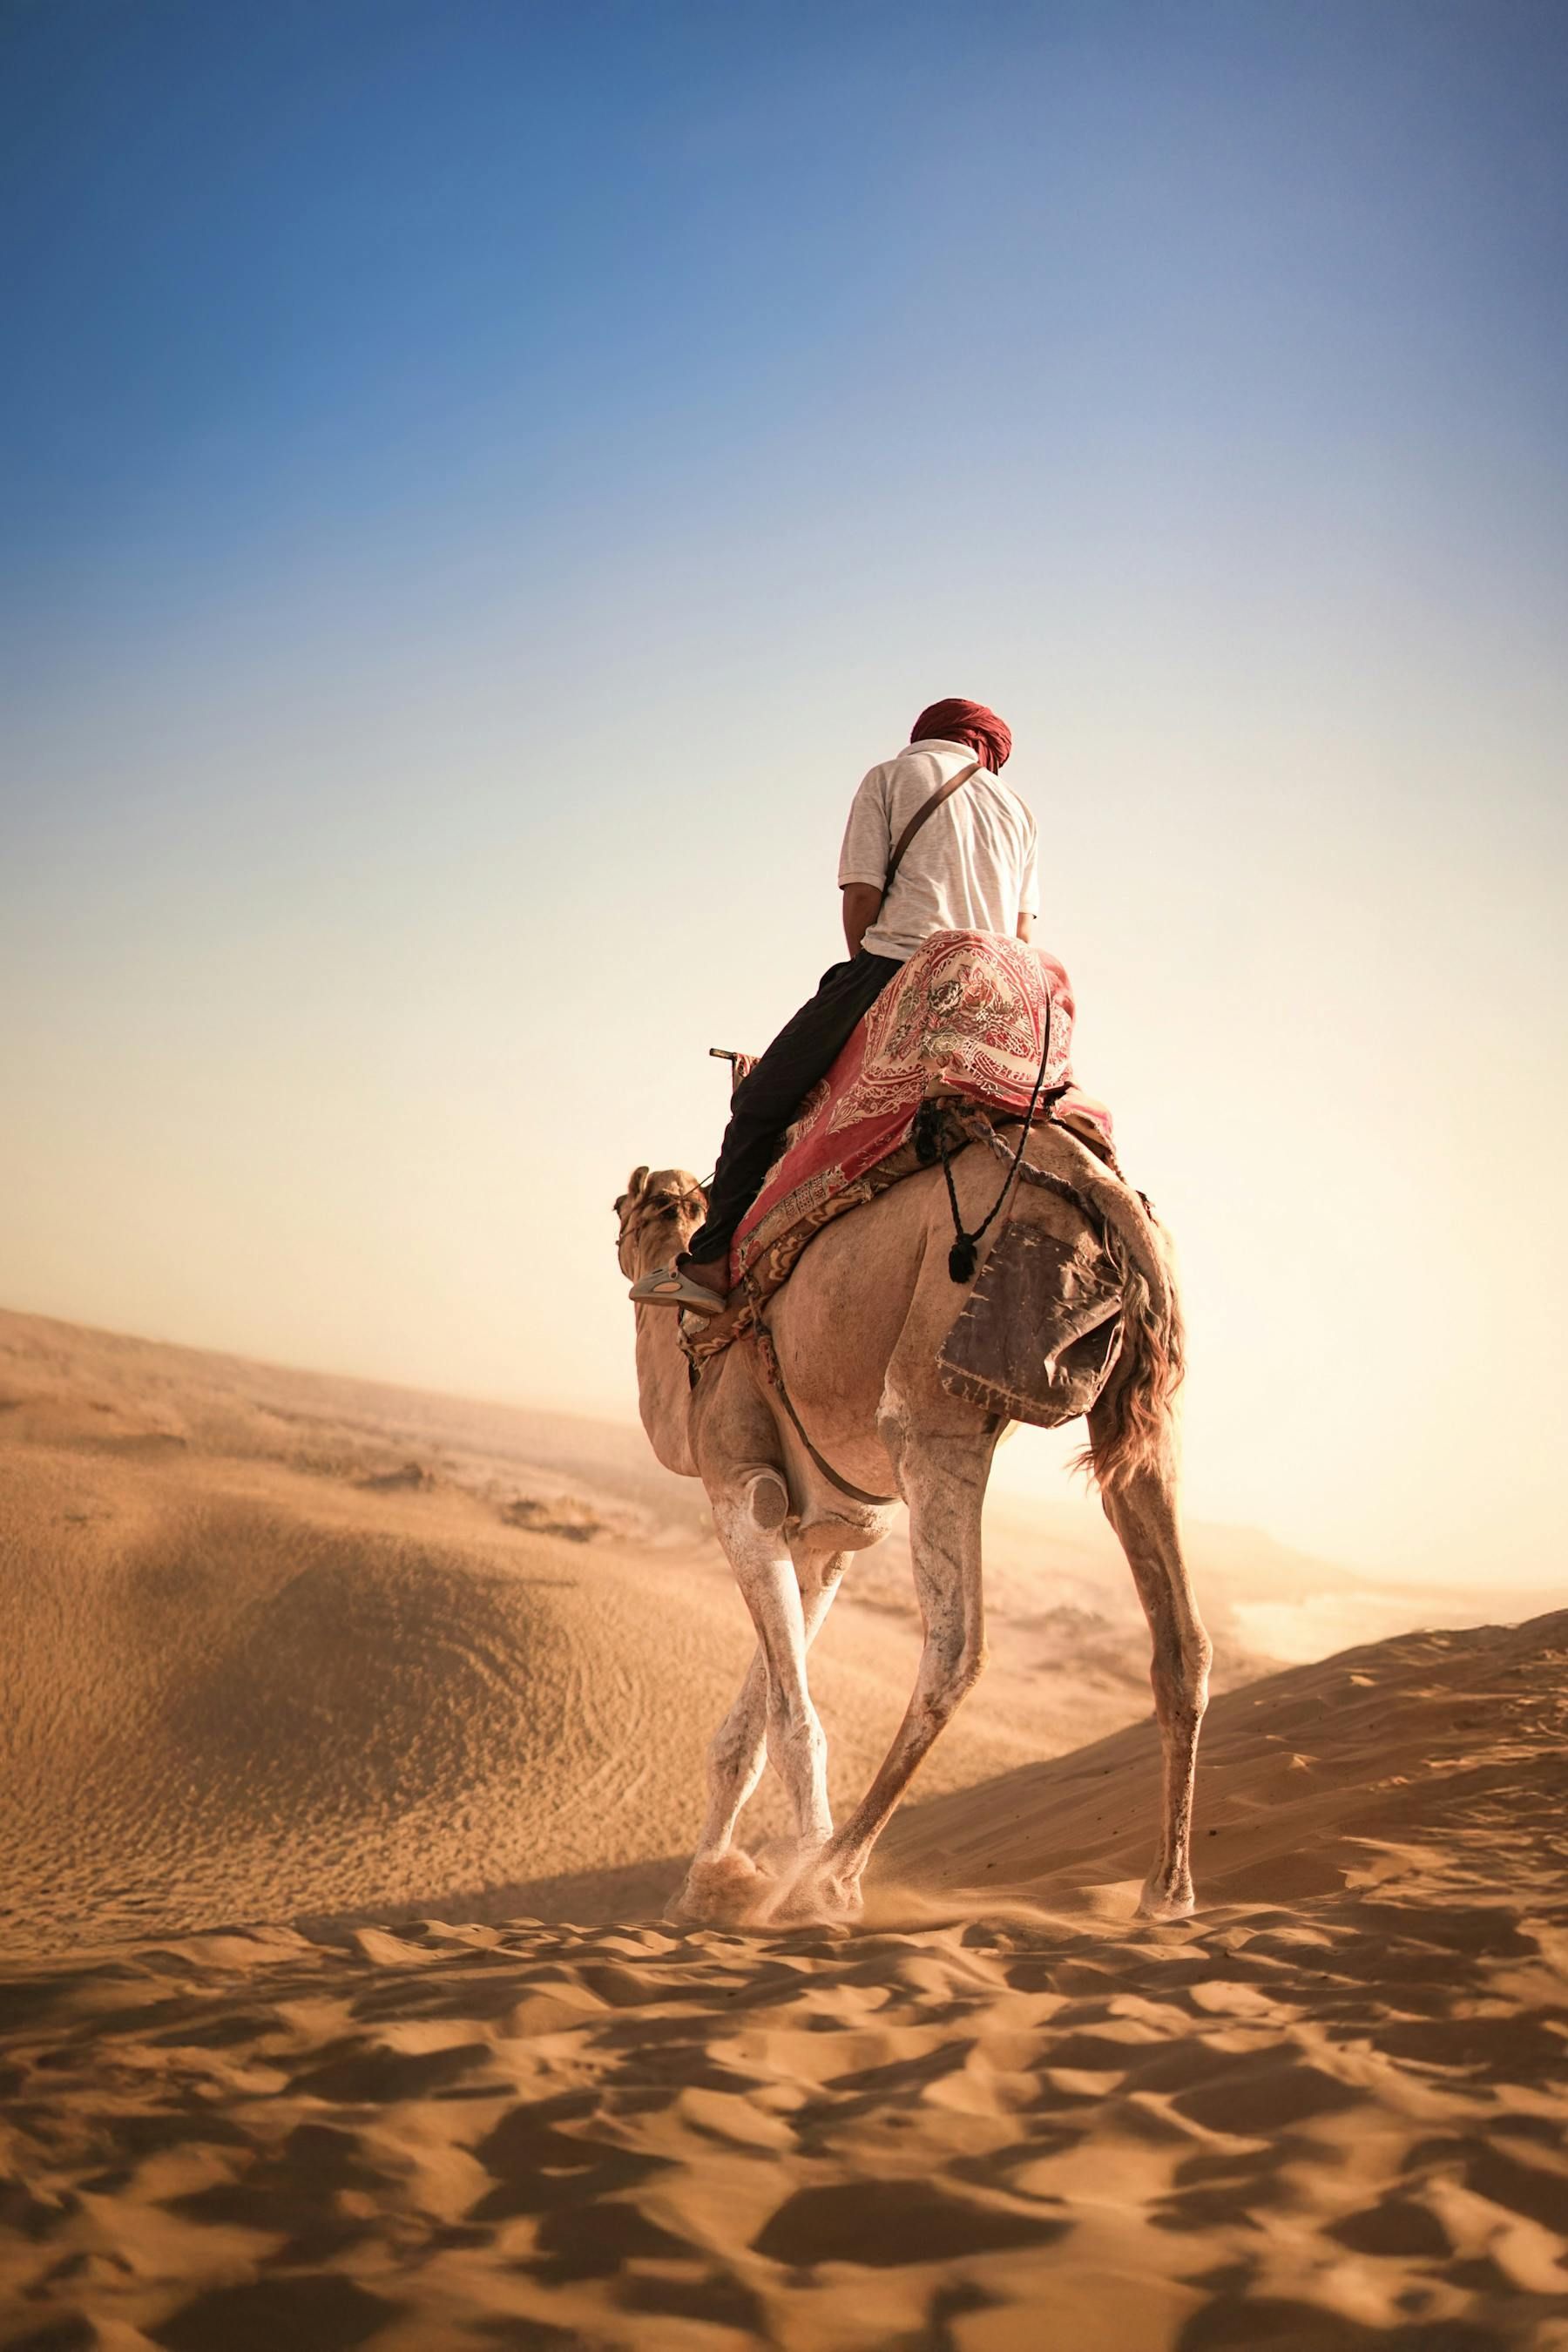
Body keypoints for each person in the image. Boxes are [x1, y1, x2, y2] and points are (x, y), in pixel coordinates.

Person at [630, 696, 1038, 1315]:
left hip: (897, 966)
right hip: (993, 997)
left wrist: (866, 1003)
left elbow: (862, 901)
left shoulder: (890, 777)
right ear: (988, 751)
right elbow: (1023, 937)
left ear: (925, 735)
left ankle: (711, 1265)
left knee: (760, 1100)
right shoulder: (1020, 812)